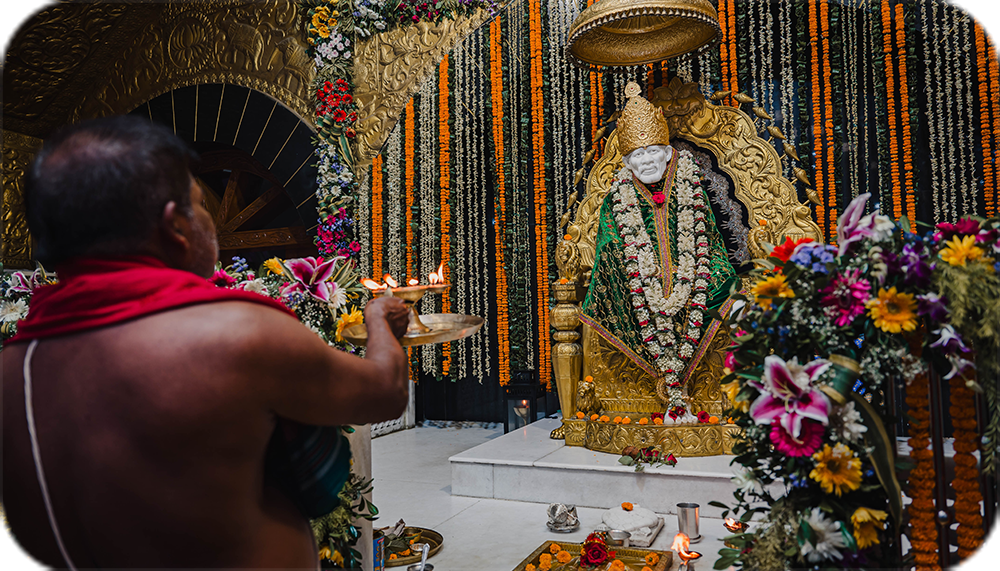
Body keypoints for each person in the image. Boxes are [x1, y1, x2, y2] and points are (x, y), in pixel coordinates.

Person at [0, 116, 411, 570]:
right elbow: (384, 391)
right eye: (202, 203)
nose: (211, 221)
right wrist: (378, 318)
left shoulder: (12, 368)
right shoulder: (235, 333)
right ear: (175, 225)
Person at [579, 82, 739, 423]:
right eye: (638, 154)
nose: (647, 160)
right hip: (638, 294)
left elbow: (708, 239)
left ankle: (716, 401)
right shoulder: (616, 198)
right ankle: (641, 401)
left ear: (668, 153)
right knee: (620, 293)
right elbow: (609, 246)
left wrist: (700, 275)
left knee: (730, 294)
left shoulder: (690, 187)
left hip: (695, 282)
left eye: (653, 151)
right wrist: (637, 275)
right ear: (627, 161)